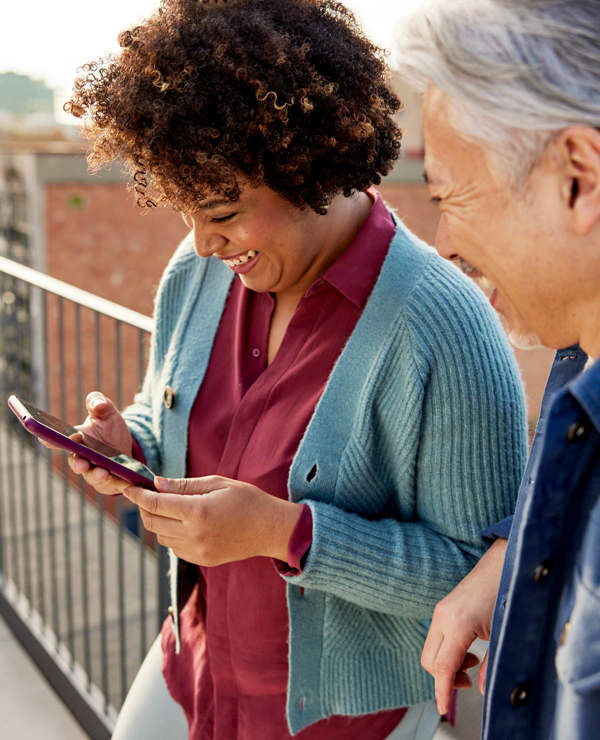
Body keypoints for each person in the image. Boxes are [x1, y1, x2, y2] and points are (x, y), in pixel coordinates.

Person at [64, 1, 527, 738]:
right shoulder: (197, 273)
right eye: (186, 211)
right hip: (196, 667)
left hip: (345, 716)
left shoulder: (443, 325)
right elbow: (173, 413)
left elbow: (481, 574)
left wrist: (289, 533)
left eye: (220, 211)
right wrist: (133, 442)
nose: (203, 242)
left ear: (305, 165)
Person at [394, 1, 600, 738]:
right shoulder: (580, 359)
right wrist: (513, 555)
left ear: (578, 178)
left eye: (452, 197)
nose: (443, 242)